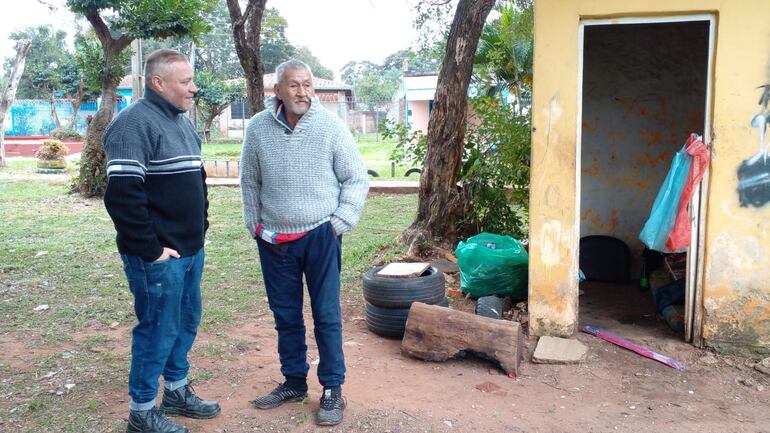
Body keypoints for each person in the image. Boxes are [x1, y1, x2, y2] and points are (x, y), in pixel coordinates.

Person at [240, 59, 369, 426]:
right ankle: (294, 381)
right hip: (274, 239)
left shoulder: (331, 127)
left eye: (308, 85)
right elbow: (249, 180)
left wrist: (340, 222)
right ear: (277, 90)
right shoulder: (258, 128)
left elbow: (356, 178)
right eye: (294, 86)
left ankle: (332, 389)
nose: (302, 92)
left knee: (327, 316)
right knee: (286, 316)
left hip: (320, 236)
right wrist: (254, 223)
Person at [103, 48, 220, 433]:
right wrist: (151, 251)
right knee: (157, 328)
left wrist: (198, 231)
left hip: (189, 251)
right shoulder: (132, 124)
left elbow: (195, 180)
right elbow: (122, 196)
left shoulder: (182, 121)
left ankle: (175, 390)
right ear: (158, 83)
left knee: (185, 322)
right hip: (157, 259)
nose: (193, 89)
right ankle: (141, 411)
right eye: (185, 82)